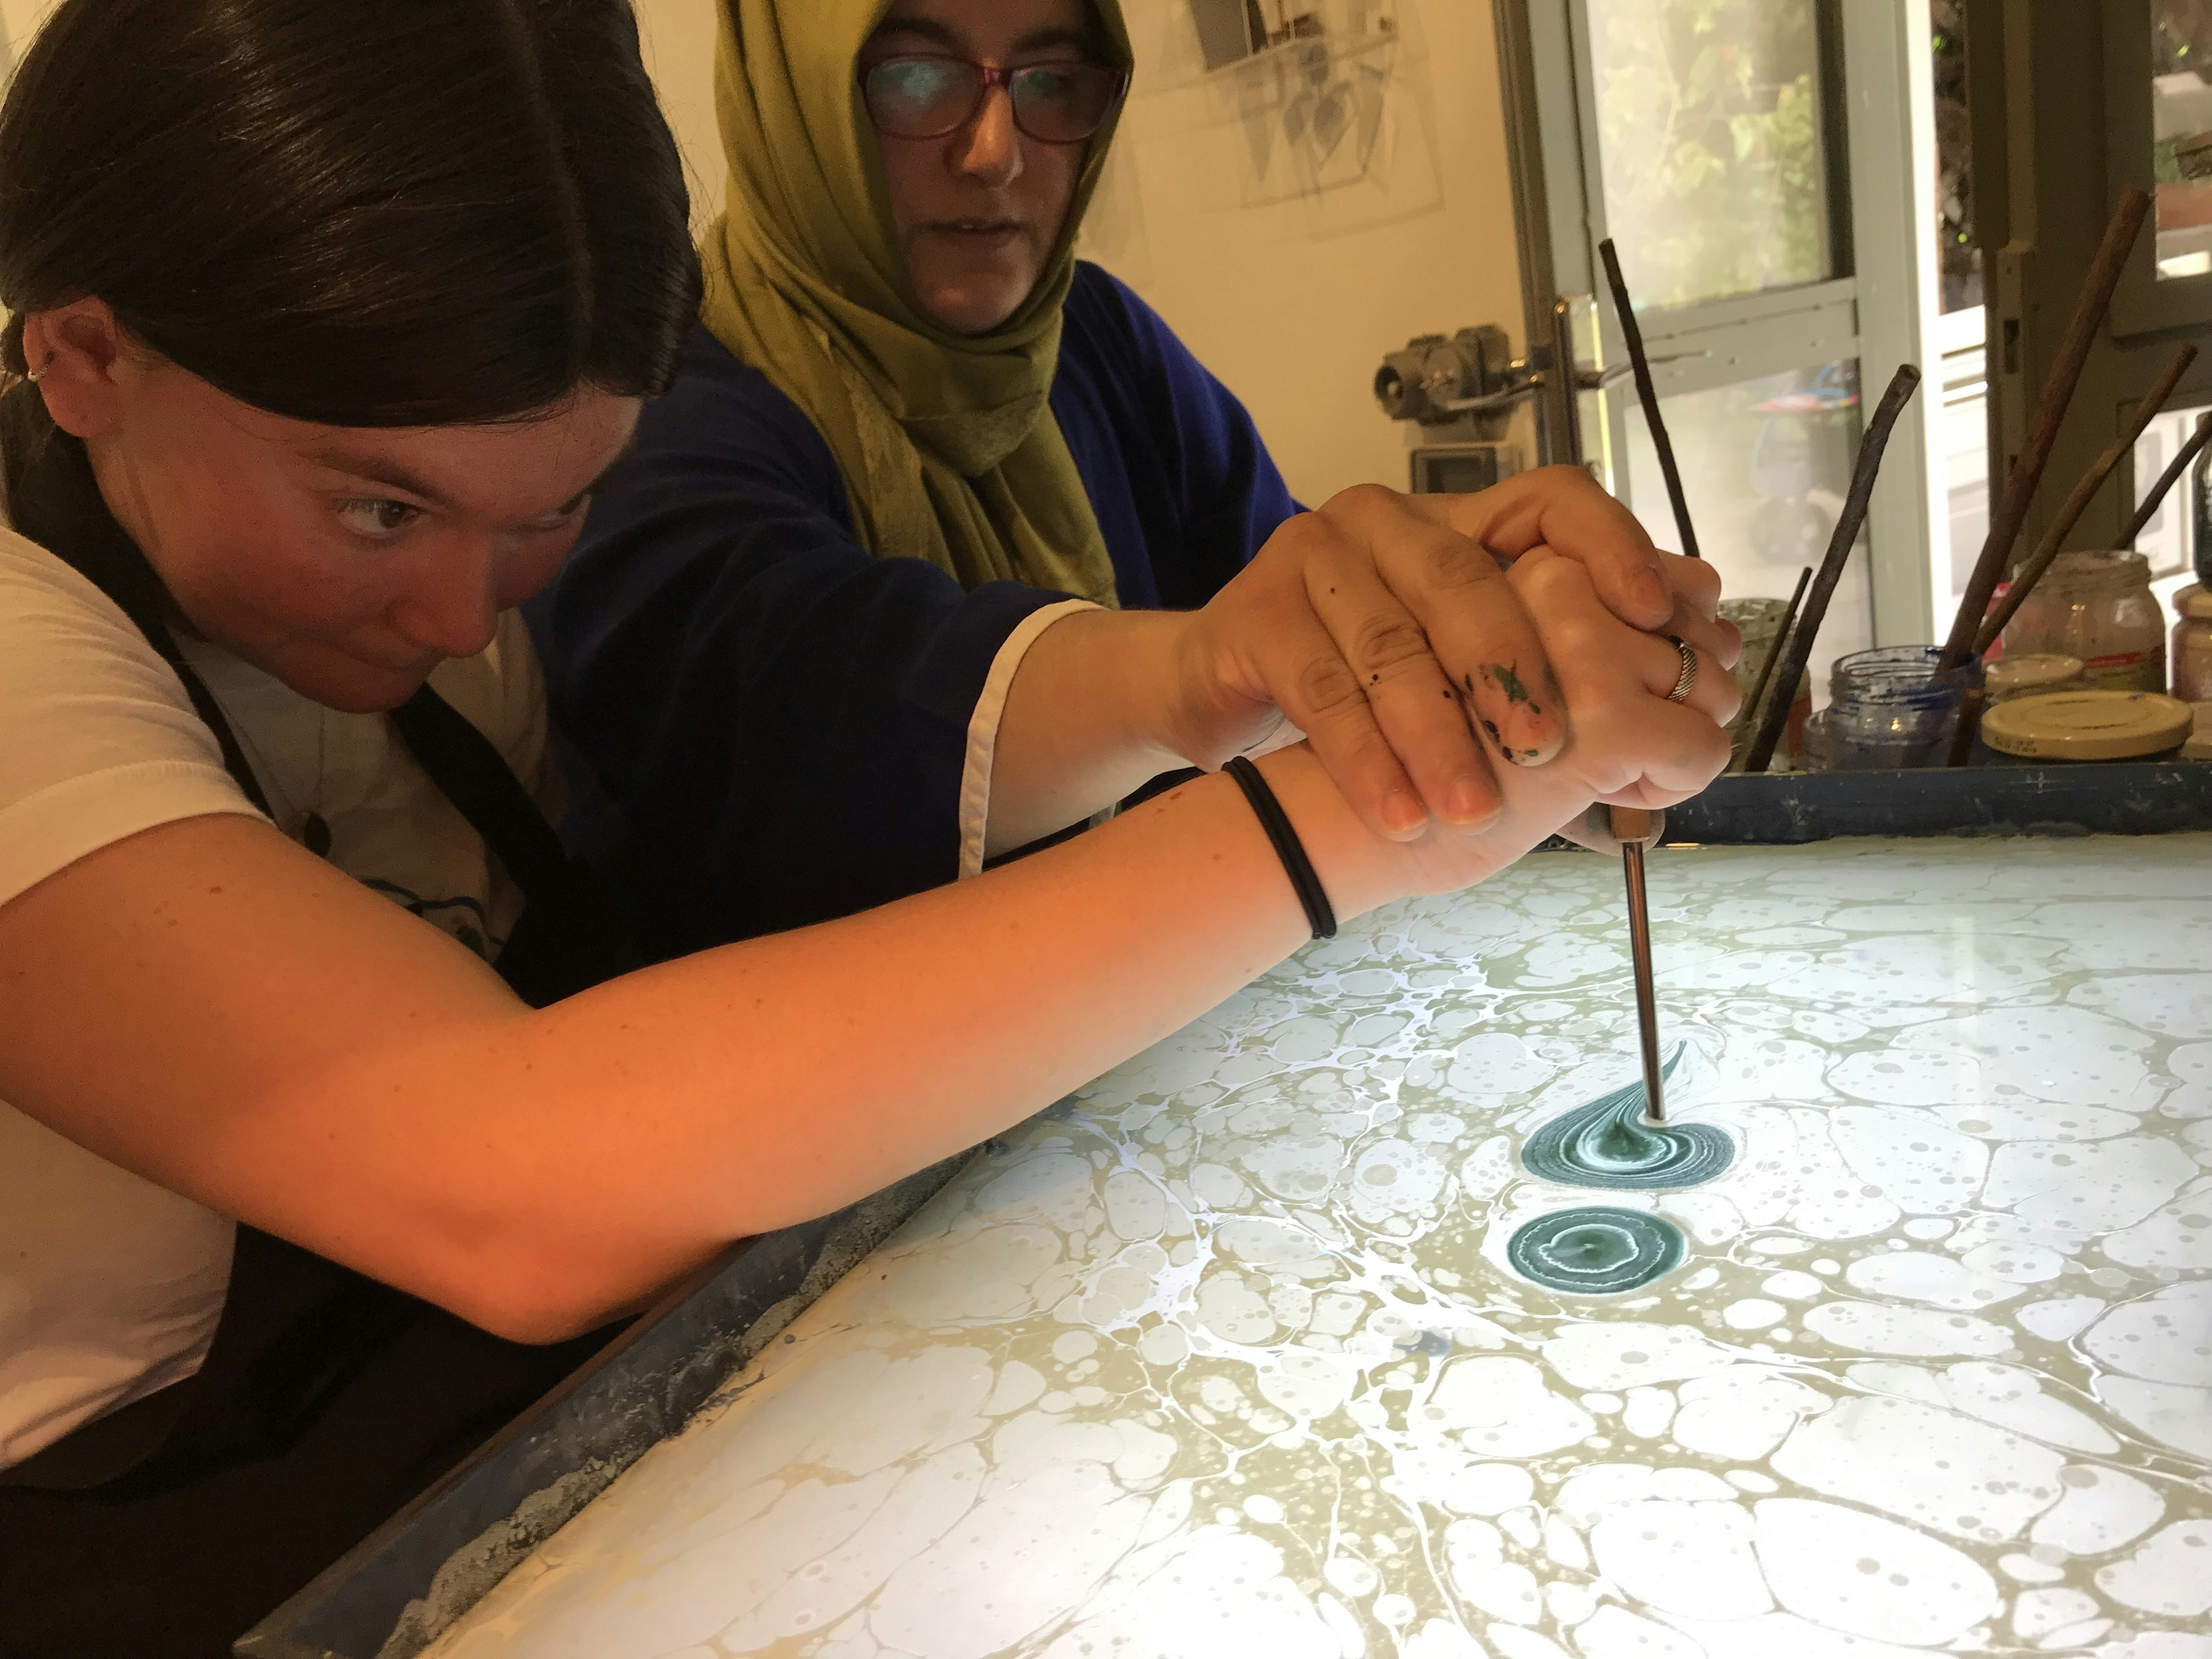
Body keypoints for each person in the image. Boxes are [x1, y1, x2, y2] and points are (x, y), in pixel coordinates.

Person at [0, 0, 1734, 1651]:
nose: (466, 617)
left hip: (515, 1481)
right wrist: (1366, 810)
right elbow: (506, 1183)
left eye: (556, 513)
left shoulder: (452, 575)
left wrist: (1249, 669)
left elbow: (836, 687)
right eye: (381, 512)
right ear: (82, 358)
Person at [539, 0, 1745, 955]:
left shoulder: (1097, 342)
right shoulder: (638, 417)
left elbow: (1291, 603)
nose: (995, 151)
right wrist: (1199, 672)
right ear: (786, 89)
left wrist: (1478, 635)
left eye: (1053, 81)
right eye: (913, 76)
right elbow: (809, 714)